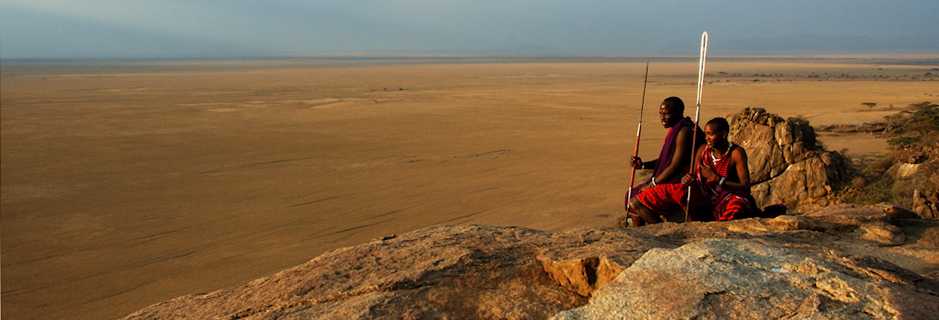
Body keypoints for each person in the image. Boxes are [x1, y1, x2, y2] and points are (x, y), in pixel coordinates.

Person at [630, 117, 754, 225]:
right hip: (704, 196)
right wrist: (688, 179)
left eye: (711, 134)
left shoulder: (736, 153)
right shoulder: (703, 149)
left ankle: (718, 229)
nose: (707, 138)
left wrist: (717, 179)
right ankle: (688, 225)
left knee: (739, 204)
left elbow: (745, 186)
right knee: (675, 192)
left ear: (723, 134)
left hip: (728, 197)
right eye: (706, 134)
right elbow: (692, 175)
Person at [625, 97, 704, 226]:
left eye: (666, 114)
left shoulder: (684, 132)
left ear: (678, 113)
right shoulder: (674, 129)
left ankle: (663, 231)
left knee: (635, 202)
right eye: (660, 114)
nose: (662, 117)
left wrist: (652, 184)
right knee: (631, 194)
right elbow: (666, 160)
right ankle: (639, 234)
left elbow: (675, 166)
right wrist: (644, 165)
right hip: (672, 177)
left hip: (681, 180)